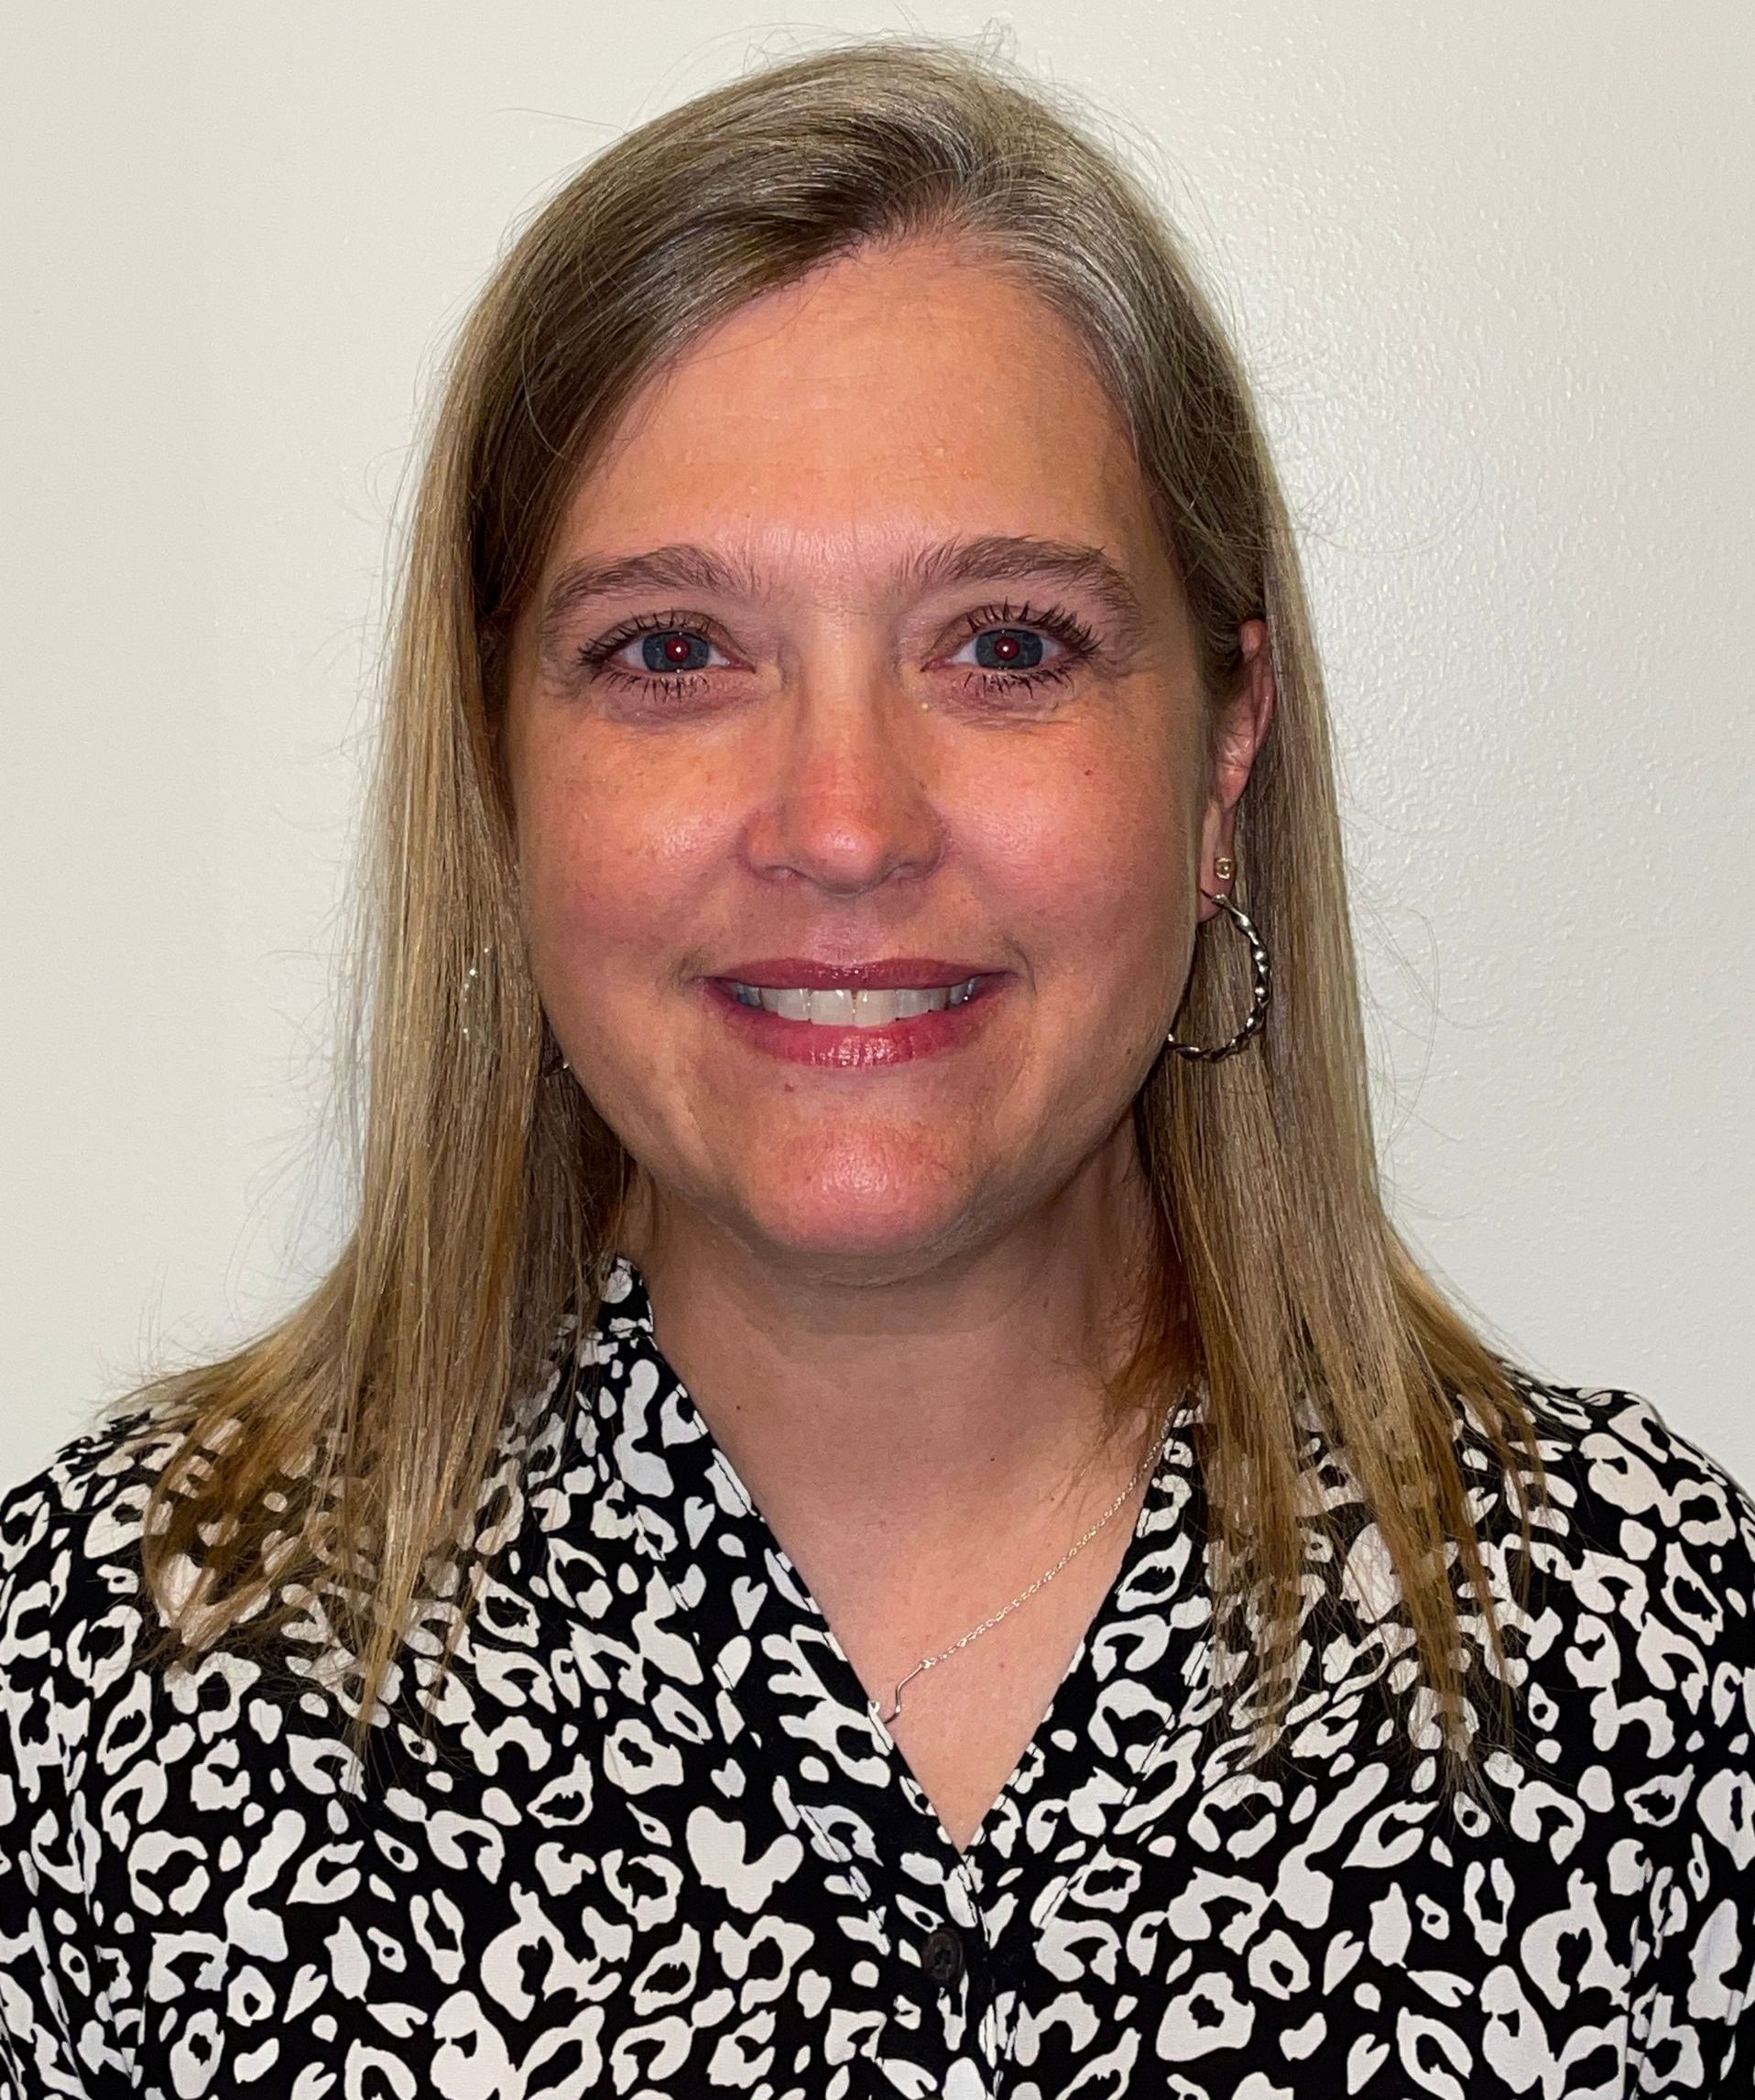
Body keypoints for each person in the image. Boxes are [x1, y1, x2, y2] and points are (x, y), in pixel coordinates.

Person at [1, 34, 1750, 2100]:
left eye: (1005, 644)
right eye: (672, 652)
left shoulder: (1641, 1659)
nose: (843, 821)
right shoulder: (128, 1676)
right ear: (496, 772)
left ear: (1223, 754)